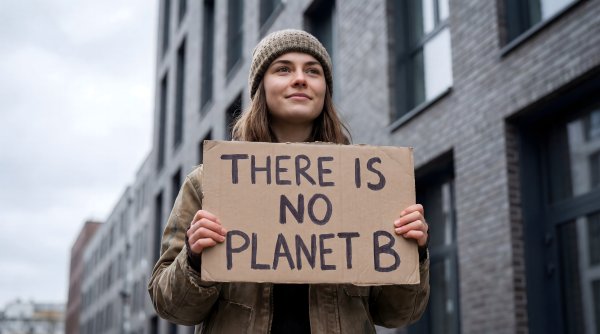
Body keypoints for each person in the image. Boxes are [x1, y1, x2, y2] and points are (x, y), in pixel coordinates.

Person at [148, 29, 429, 334]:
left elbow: (397, 314)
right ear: (261, 88)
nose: (300, 79)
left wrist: (415, 252)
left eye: (313, 71)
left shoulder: (367, 181)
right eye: (283, 69)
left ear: (325, 89)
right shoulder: (208, 182)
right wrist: (194, 258)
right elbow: (171, 306)